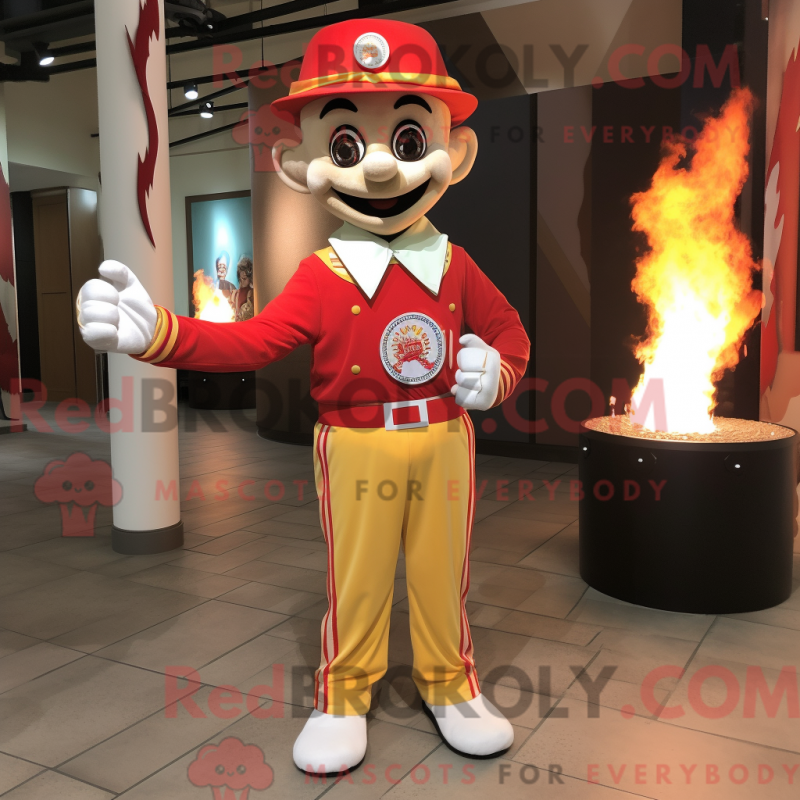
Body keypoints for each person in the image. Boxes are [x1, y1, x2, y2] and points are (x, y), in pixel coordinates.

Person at [76, 18, 530, 776]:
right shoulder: (325, 275)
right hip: (354, 442)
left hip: (446, 437)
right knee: (357, 574)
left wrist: (499, 372)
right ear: (298, 165)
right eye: (346, 147)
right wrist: (157, 333)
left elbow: (510, 331)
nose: (380, 168)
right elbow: (252, 343)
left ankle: (450, 683)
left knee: (442, 569)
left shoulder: (454, 264)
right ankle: (344, 693)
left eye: (408, 141)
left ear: (456, 153)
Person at [231, 255, 254, 322]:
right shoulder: (235, 293)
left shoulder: (251, 293)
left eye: (246, 270)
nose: (244, 273)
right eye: (242, 270)